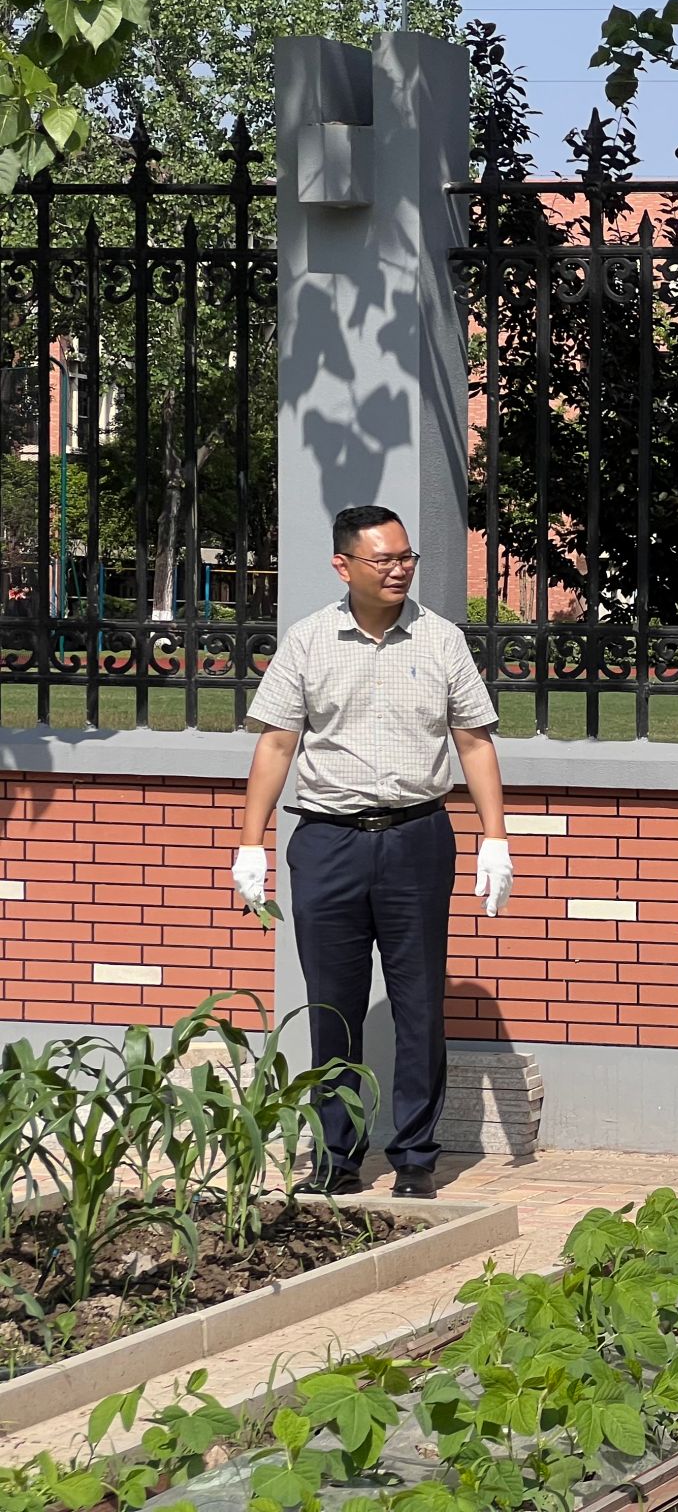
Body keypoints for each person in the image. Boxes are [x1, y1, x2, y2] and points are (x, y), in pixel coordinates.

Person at [235, 507, 513, 1200]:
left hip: (417, 837)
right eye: (383, 559)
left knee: (419, 1002)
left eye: (406, 557)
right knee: (333, 1006)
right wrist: (251, 843)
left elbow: (474, 741)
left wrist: (495, 837)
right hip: (327, 841)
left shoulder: (442, 640)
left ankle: (415, 1156)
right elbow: (276, 743)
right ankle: (337, 1154)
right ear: (344, 565)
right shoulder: (307, 642)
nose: (399, 570)